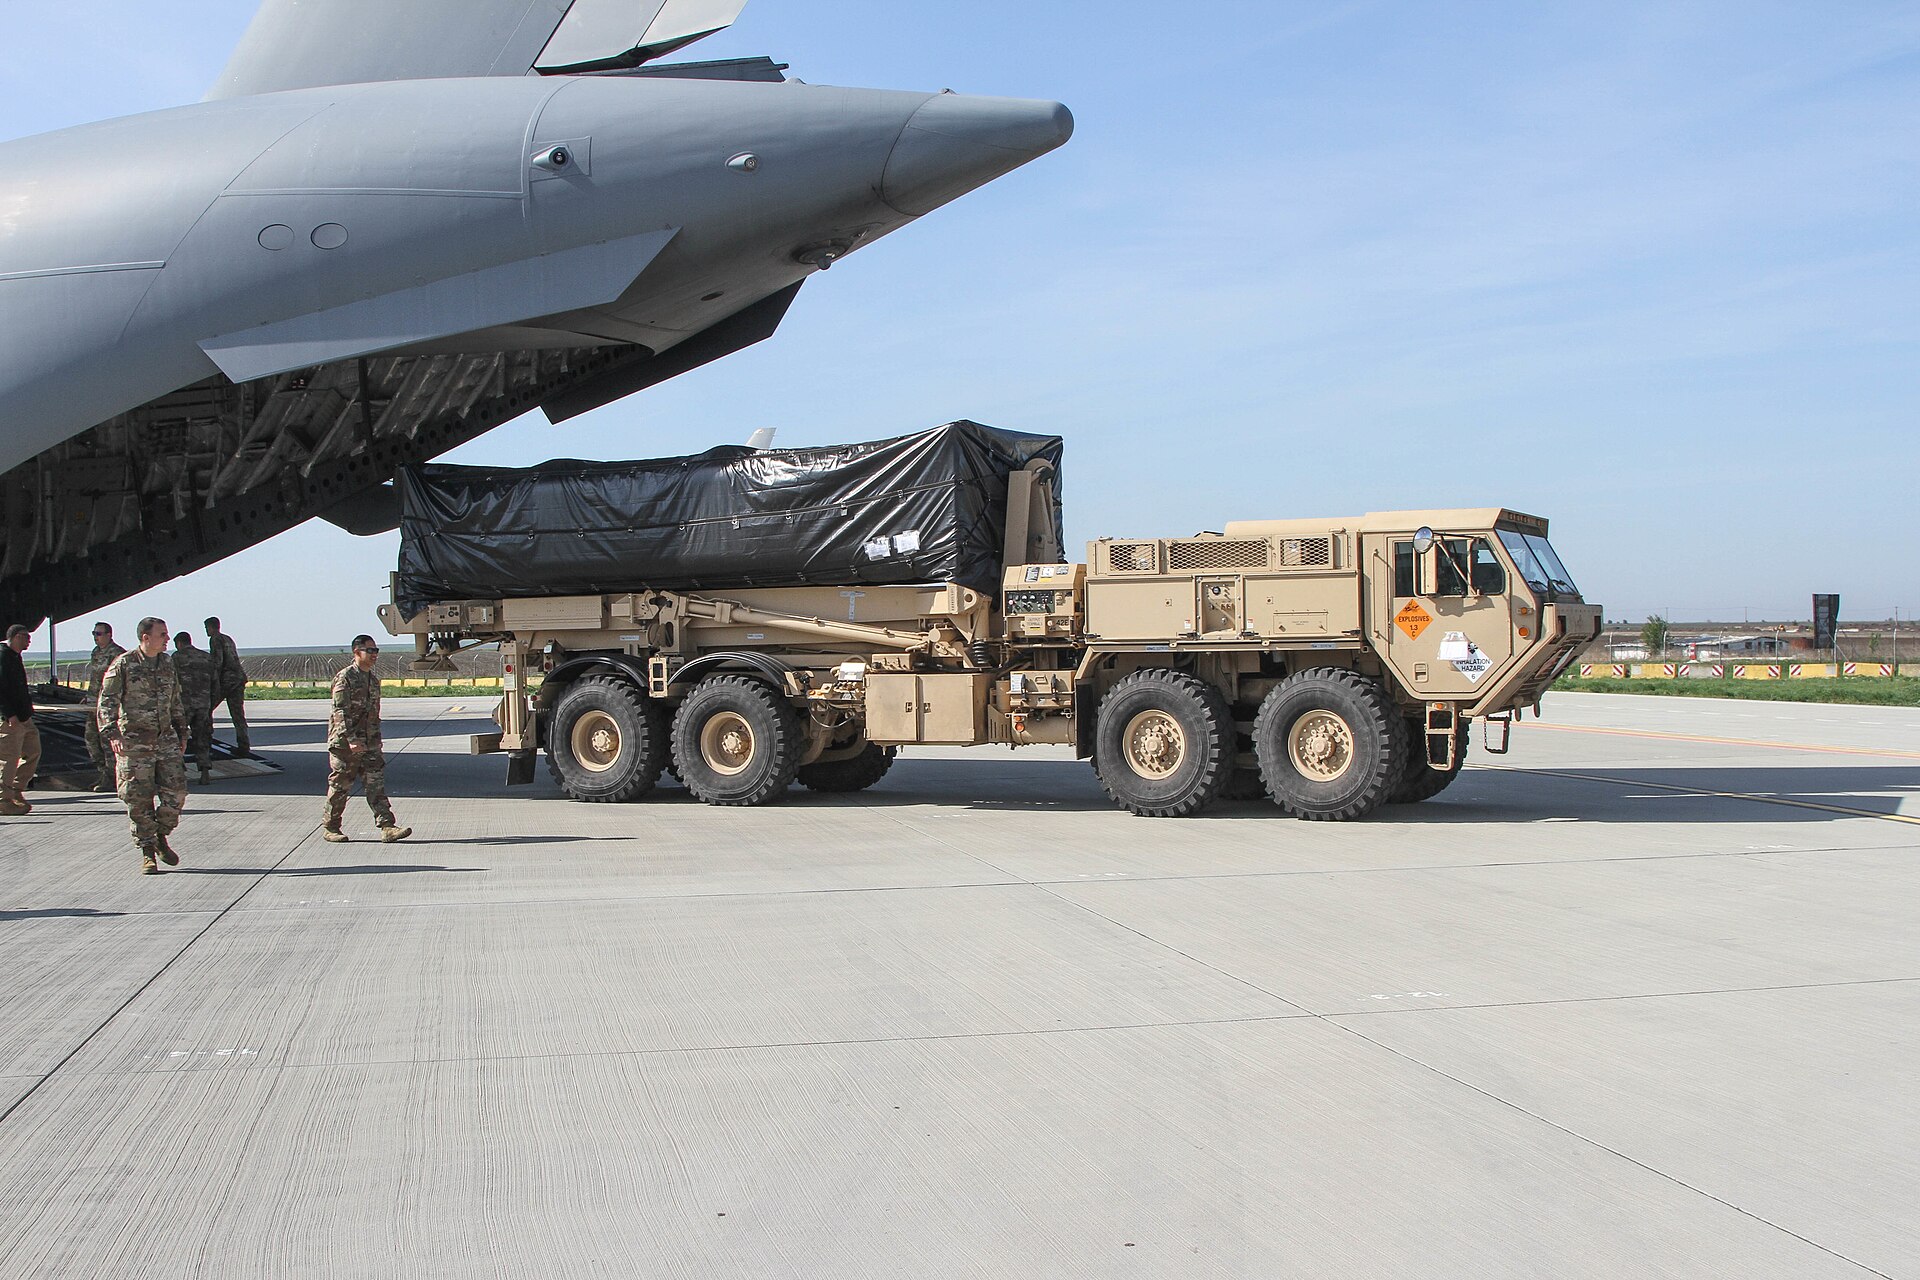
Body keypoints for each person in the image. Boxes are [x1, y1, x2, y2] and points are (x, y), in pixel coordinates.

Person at [98, 617, 188, 874]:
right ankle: (148, 851)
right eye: (162, 634)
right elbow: (107, 703)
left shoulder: (167, 663)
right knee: (138, 799)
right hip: (135, 743)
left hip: (165, 740)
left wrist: (183, 732)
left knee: (176, 794)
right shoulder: (124, 665)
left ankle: (161, 834)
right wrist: (113, 734)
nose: (167, 639)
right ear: (145, 637)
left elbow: (175, 699)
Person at [323, 635, 410, 843]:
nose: (374, 655)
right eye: (369, 651)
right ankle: (331, 827)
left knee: (375, 783)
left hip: (369, 742)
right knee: (340, 785)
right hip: (345, 743)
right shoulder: (345, 678)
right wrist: (352, 740)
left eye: (376, 651)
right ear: (356, 652)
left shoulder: (372, 680)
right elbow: (340, 712)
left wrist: (376, 739)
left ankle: (387, 826)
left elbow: (374, 714)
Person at [0, 624, 40, 816]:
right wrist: (9, 714)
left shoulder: (15, 657)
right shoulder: (3, 657)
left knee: (33, 751)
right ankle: (3, 800)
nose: (29, 640)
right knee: (8, 758)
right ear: (15, 637)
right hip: (11, 719)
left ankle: (16, 790)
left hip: (24, 717)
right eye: (25, 636)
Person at [85, 621, 126, 791]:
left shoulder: (117, 654)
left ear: (109, 635)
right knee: (90, 738)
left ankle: (112, 778)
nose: (96, 637)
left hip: (109, 705)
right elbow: (95, 679)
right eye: (94, 633)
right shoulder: (96, 653)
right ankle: (103, 773)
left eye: (99, 634)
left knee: (107, 742)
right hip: (93, 703)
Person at [172, 631, 216, 784]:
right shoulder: (206, 657)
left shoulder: (176, 657)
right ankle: (205, 771)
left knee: (179, 738)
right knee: (202, 738)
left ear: (179, 643)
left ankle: (179, 771)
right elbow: (215, 682)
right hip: (203, 704)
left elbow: (170, 682)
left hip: (184, 705)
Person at [205, 616, 251, 757]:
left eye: (207, 628)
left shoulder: (215, 639)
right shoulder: (228, 638)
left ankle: (205, 740)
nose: (206, 631)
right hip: (238, 678)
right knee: (238, 715)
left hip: (227, 680)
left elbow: (218, 661)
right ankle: (244, 745)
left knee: (207, 708)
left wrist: (213, 681)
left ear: (211, 627)